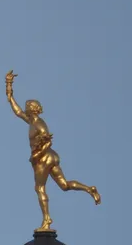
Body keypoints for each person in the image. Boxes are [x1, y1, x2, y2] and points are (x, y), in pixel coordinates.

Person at [5, 70, 100, 232]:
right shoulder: (31, 121)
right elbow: (17, 110)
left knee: (39, 188)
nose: (25, 107)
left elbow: (47, 140)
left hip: (44, 158)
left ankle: (47, 219)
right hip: (51, 157)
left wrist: (36, 154)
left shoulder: (39, 124)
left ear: (33, 109)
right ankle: (89, 188)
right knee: (64, 185)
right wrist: (9, 87)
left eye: (28, 106)